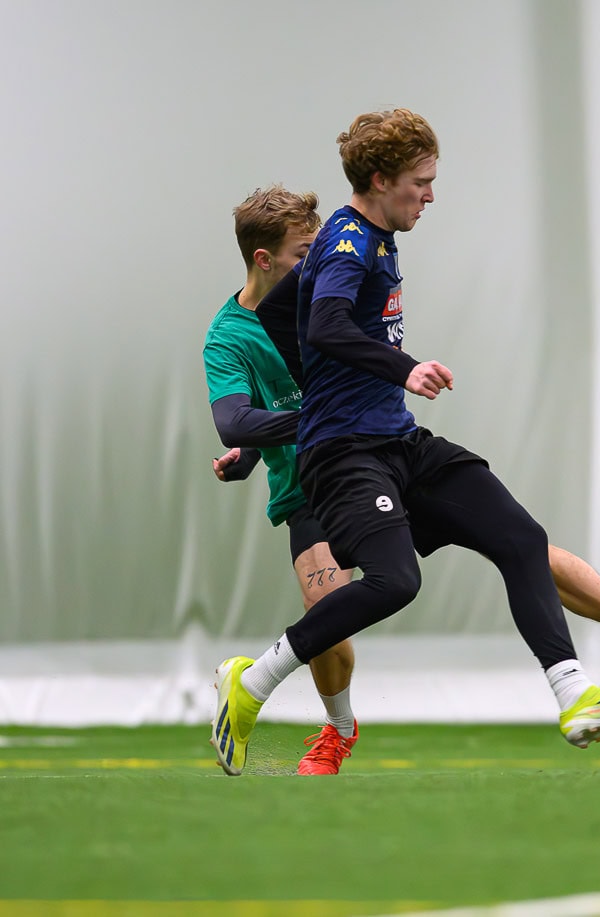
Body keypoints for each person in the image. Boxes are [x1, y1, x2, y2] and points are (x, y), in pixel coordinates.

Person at [210, 111, 600, 776]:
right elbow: (324, 325)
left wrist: (329, 384)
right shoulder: (349, 242)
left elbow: (282, 312)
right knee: (395, 582)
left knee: (520, 537)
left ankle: (572, 696)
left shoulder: (370, 237)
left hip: (398, 440)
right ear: (380, 180)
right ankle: (253, 684)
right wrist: (400, 369)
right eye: (421, 182)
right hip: (347, 454)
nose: (431, 195)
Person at [202, 186, 358, 776]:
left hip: (378, 460)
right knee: (328, 615)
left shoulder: (326, 300)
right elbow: (235, 420)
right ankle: (339, 730)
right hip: (308, 488)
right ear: (263, 259)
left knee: (510, 541)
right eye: (302, 254)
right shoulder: (228, 336)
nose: (314, 264)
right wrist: (248, 453)